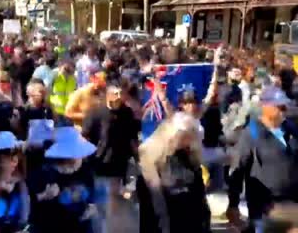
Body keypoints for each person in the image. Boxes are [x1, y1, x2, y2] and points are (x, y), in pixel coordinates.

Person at [227, 86, 298, 233]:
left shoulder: (292, 129)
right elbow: (238, 167)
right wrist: (233, 203)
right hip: (265, 210)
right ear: (264, 106)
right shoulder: (251, 131)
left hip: (293, 207)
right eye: (279, 107)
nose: (283, 111)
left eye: (284, 107)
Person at [137, 112, 211, 233]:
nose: (189, 141)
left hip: (191, 222)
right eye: (186, 136)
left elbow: (199, 196)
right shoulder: (152, 158)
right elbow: (152, 199)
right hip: (164, 221)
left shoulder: (190, 156)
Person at [82, 85, 139, 233]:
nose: (119, 96)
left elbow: (132, 137)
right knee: (104, 201)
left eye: (121, 93)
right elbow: (85, 136)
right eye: (116, 93)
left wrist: (138, 157)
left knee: (113, 200)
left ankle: (111, 227)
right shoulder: (95, 113)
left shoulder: (127, 113)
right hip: (100, 163)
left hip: (120, 163)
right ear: (108, 95)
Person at [28, 127, 97, 233]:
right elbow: (29, 207)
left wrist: (91, 207)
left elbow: (92, 196)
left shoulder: (86, 170)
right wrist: (43, 196)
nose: (79, 158)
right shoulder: (43, 173)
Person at [0, 132, 29, 233]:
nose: (15, 160)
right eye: (10, 155)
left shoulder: (21, 184)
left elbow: (24, 217)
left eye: (16, 154)